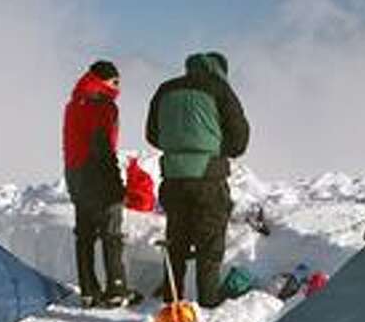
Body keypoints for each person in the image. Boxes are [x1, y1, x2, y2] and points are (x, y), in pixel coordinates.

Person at [145, 51, 250, 308]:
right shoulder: (220, 89)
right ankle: (208, 304)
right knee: (209, 244)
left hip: (173, 177)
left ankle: (172, 300)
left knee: (176, 241)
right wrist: (211, 147)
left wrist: (179, 147)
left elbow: (152, 134)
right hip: (208, 177)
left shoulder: (165, 89)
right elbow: (239, 140)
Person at [62, 59, 136, 308]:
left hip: (76, 174)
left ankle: (88, 291)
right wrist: (116, 184)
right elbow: (103, 148)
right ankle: (116, 289)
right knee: (111, 234)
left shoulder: (74, 103)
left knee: (84, 235)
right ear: (104, 80)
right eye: (115, 81)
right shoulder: (103, 106)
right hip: (98, 175)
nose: (118, 87)